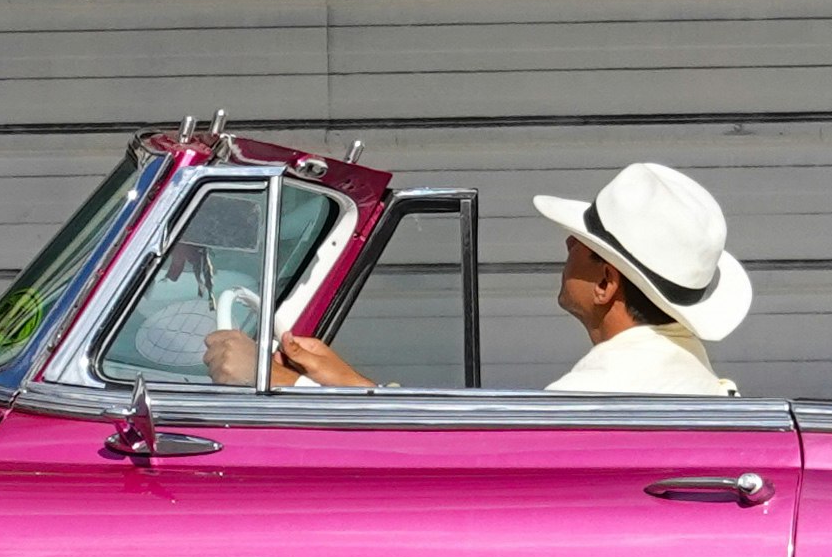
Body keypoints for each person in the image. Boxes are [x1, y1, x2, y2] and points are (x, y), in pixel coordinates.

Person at [281, 158, 750, 396]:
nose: (567, 246)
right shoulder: (679, 366)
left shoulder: (596, 398)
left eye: (582, 245)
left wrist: (294, 387)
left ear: (607, 285)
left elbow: (467, 467)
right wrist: (351, 384)